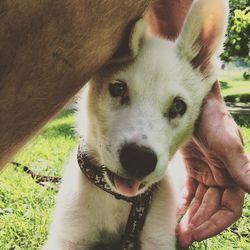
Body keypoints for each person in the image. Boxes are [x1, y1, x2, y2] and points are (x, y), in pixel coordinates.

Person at [0, 0, 249, 248]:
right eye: (119, 90)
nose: (142, 141)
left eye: (177, 107)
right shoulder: (76, 186)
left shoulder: (164, 192)